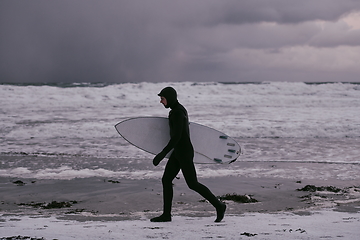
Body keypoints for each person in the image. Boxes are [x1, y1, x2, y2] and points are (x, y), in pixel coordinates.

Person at [151, 86, 226, 223]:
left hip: (184, 153)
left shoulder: (178, 113)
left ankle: (219, 205)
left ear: (170, 98)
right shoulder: (177, 110)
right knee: (166, 180)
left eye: (162, 99)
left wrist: (162, 154)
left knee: (193, 184)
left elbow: (177, 137)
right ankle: (166, 215)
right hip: (178, 152)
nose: (161, 102)